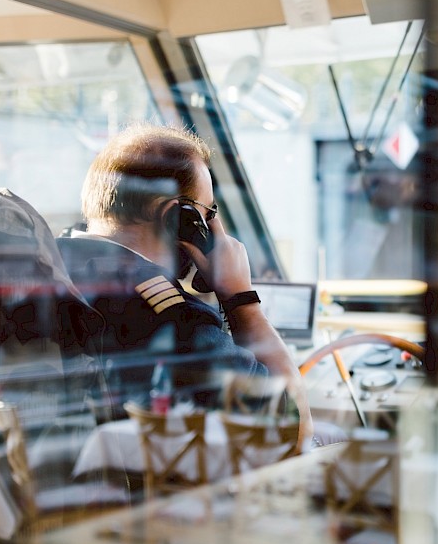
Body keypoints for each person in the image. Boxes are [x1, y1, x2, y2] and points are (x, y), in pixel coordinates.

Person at [56, 122, 312, 446]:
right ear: (179, 219)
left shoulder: (48, 269)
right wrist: (241, 300)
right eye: (208, 214)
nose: (213, 228)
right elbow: (295, 427)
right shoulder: (175, 320)